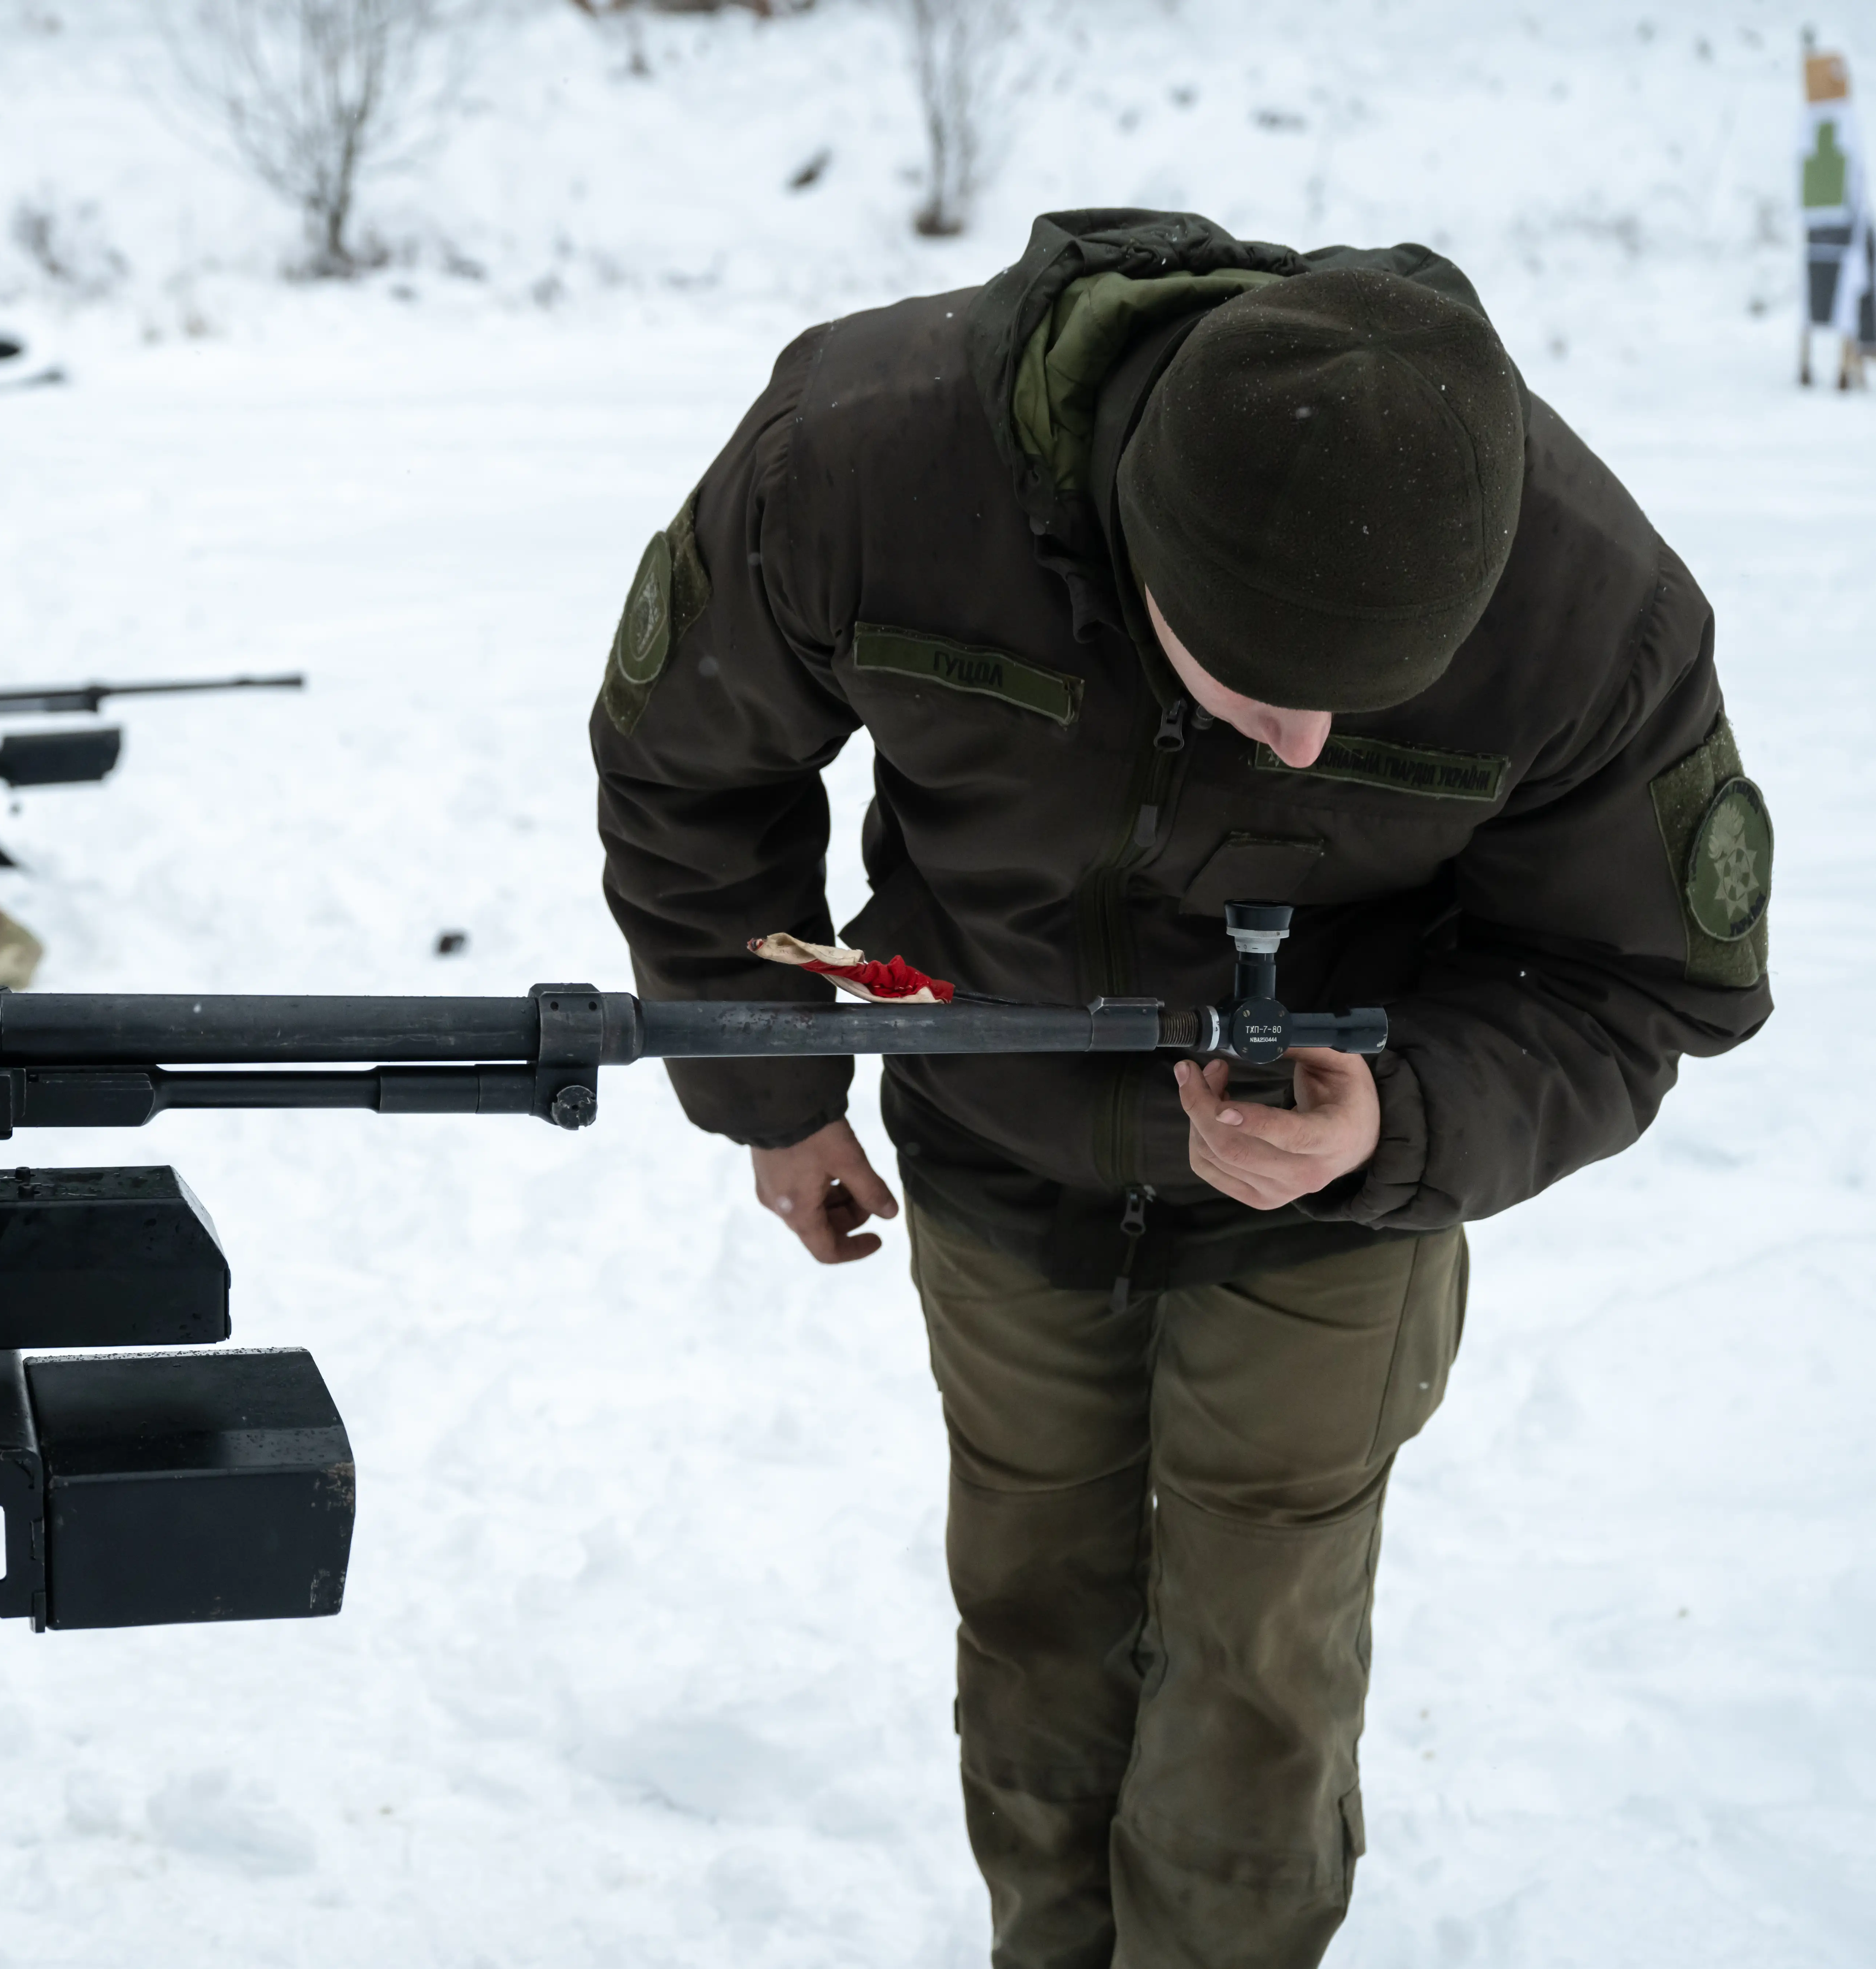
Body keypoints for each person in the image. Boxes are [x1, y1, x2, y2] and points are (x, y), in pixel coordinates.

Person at [589, 208, 1775, 1969]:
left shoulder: (1583, 606)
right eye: (1268, 687)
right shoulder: (863, 460)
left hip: (1335, 1211)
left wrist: (1403, 1117)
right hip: (994, 1155)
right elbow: (689, 768)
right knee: (1035, 1629)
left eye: (1361, 706)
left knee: (1252, 1692)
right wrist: (770, 1088)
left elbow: (1643, 979)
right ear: (1144, 556)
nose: (1304, 742)